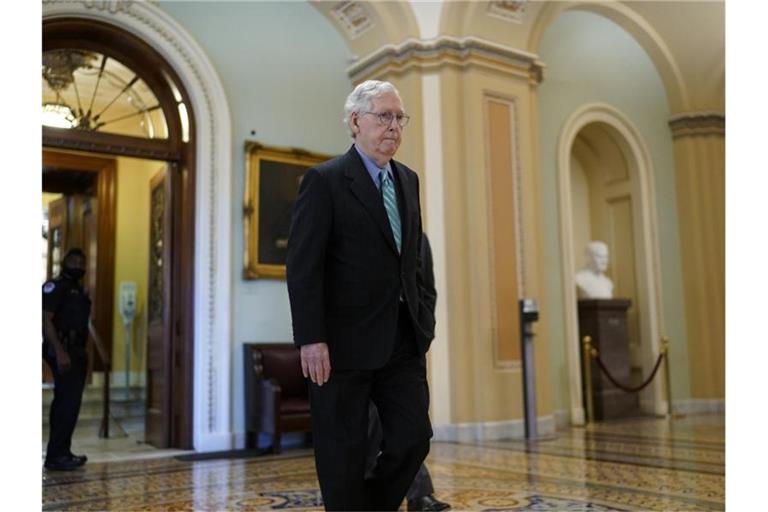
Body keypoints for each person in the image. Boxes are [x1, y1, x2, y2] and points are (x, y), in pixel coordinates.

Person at [286, 80, 435, 511]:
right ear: (356, 121)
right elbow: (303, 266)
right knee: (342, 455)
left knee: (413, 439)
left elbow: (413, 259)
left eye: (399, 118)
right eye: (384, 116)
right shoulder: (324, 180)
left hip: (402, 340)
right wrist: (311, 338)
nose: (394, 126)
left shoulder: (408, 180)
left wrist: (424, 317)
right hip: (340, 345)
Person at [366, 233, 450, 512]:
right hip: (363, 347)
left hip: (405, 350)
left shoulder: (418, 236)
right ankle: (406, 494)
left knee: (408, 430)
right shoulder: (358, 222)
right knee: (375, 422)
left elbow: (427, 290)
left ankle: (415, 494)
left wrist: (421, 333)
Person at [42, 248, 109, 471]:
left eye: (82, 262)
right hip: (63, 349)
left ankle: (62, 452)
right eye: (73, 261)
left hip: (77, 350)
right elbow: (46, 319)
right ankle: (55, 456)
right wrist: (59, 351)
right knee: (65, 403)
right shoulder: (55, 287)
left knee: (71, 404)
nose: (78, 265)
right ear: (64, 262)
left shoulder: (79, 291)